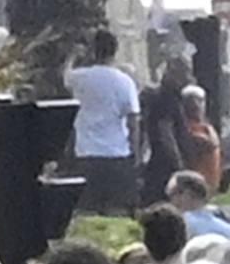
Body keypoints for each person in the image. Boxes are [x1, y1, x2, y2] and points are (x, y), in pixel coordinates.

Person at [65, 29, 140, 214]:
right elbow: (133, 119)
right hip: (117, 152)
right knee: (117, 208)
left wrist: (73, 56)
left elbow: (65, 76)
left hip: (87, 152)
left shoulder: (80, 77)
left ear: (92, 51)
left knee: (86, 208)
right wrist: (135, 151)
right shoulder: (125, 81)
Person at [140, 57, 192, 205]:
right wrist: (178, 165)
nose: (188, 78)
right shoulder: (166, 98)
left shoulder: (171, 97)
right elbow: (166, 132)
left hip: (160, 164)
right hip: (164, 165)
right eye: (185, 73)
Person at [167, 170, 230, 239]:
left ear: (187, 194)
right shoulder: (229, 230)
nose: (170, 201)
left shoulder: (180, 229)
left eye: (172, 194)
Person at [180, 85, 223, 191]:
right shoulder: (185, 128)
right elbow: (209, 144)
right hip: (195, 187)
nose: (196, 105)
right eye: (191, 101)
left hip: (212, 184)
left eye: (200, 101)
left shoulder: (207, 127)